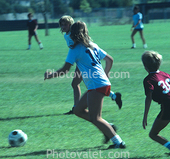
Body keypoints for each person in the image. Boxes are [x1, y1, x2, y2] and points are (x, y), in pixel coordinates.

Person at [45, 21, 125, 149]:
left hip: (97, 86)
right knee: (77, 110)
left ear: (73, 34)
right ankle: (108, 127)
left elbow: (65, 70)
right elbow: (110, 60)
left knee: (96, 118)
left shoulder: (75, 50)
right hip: (100, 84)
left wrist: (50, 75)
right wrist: (105, 74)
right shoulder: (93, 45)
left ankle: (118, 142)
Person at [58, 15, 122, 116]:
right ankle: (113, 96)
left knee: (79, 84)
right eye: (61, 24)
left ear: (71, 25)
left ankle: (77, 107)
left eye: (65, 24)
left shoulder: (73, 34)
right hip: (81, 62)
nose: (63, 26)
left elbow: (79, 49)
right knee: (90, 84)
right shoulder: (67, 35)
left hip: (83, 63)